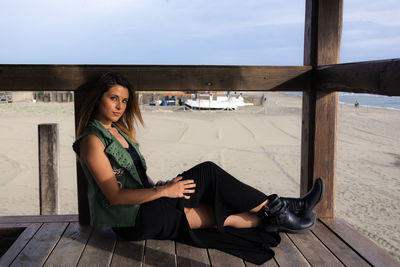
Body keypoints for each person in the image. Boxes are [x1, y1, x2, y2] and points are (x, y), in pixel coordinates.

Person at [72, 72, 325, 265]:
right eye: (113, 98)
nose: (120, 106)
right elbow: (114, 197)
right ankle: (285, 208)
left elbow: (135, 176)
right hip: (132, 219)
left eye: (125, 101)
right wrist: (164, 192)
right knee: (208, 172)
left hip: (146, 203)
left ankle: (277, 217)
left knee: (214, 214)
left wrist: (156, 185)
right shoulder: (92, 141)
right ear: (98, 99)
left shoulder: (117, 131)